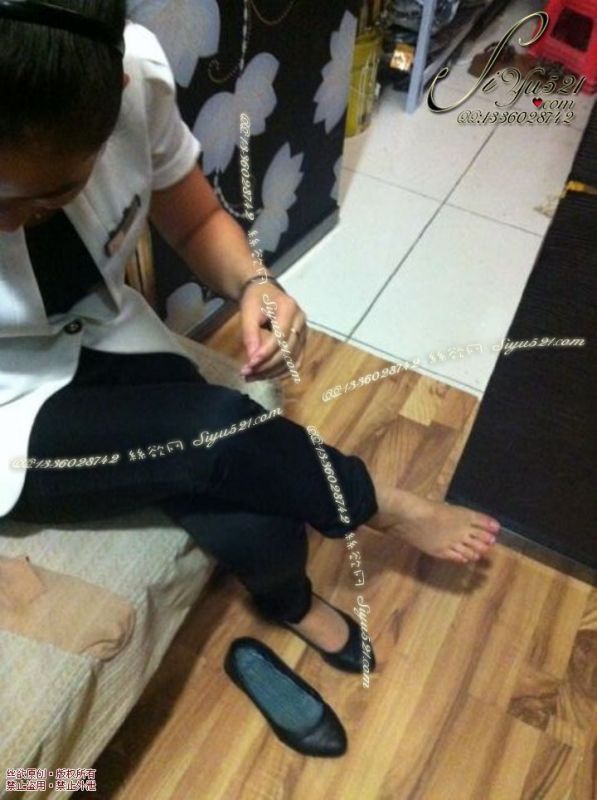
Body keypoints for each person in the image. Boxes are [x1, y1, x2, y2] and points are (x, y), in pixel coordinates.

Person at [0, 0, 501, 669]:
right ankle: (378, 504)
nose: (10, 224)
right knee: (216, 431)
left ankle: (288, 601)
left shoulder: (137, 76)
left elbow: (196, 223)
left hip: (100, 334)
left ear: (115, 93)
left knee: (253, 496)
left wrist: (253, 284)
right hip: (10, 415)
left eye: (45, 199)